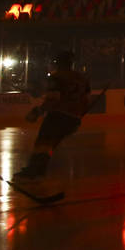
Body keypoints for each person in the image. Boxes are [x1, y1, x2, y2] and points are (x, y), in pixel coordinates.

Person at [15, 51, 90, 180]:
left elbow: (53, 98)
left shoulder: (57, 77)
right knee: (50, 145)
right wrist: (78, 117)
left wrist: (38, 111)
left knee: (43, 143)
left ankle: (35, 171)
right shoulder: (82, 78)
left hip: (58, 115)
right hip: (73, 118)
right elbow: (86, 99)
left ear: (59, 63)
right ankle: (38, 169)